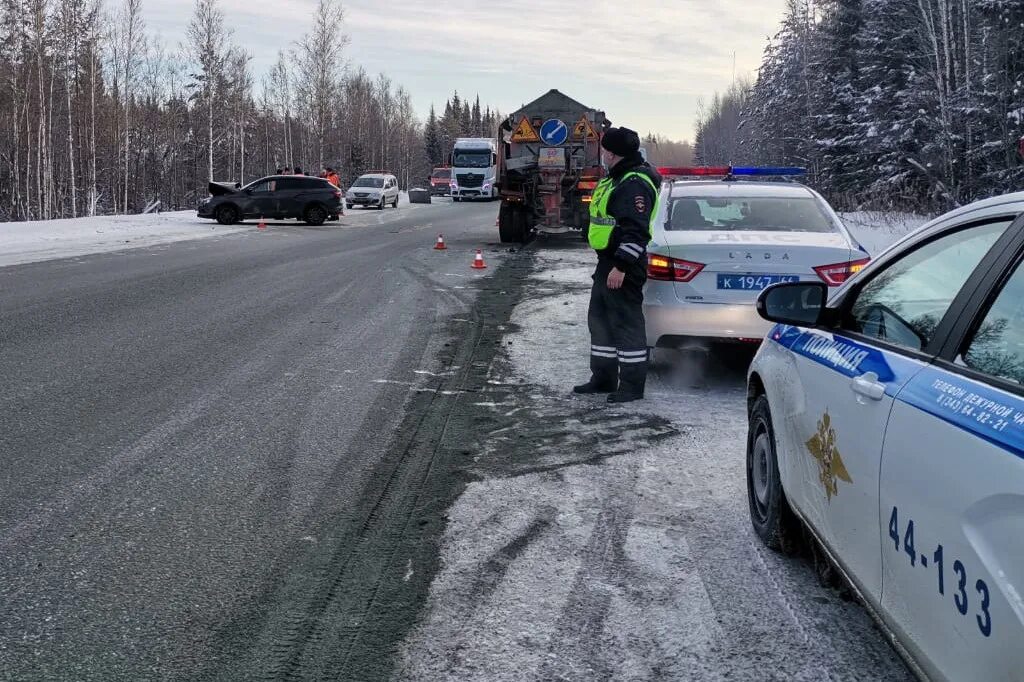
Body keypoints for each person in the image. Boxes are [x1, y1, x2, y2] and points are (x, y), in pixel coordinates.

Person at [573, 127, 662, 403]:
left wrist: (621, 267)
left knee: (626, 323)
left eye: (604, 149)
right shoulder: (617, 178)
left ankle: (632, 386)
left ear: (611, 153)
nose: (602, 154)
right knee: (600, 321)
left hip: (623, 264)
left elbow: (636, 231)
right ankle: (603, 378)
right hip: (607, 262)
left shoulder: (633, 183)